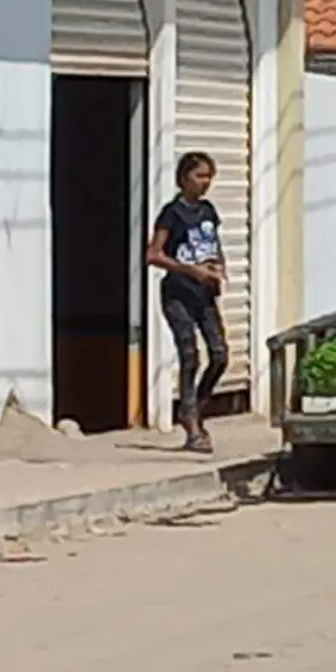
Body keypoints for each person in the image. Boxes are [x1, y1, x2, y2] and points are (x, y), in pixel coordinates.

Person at [146, 152, 229, 452]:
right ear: (184, 179)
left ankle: (195, 407)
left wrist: (219, 266)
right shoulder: (172, 213)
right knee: (189, 354)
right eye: (200, 176)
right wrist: (189, 270)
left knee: (219, 355)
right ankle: (192, 426)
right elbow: (153, 254)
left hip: (204, 293)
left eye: (210, 176)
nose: (205, 183)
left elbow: (212, 243)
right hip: (178, 293)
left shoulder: (208, 211)